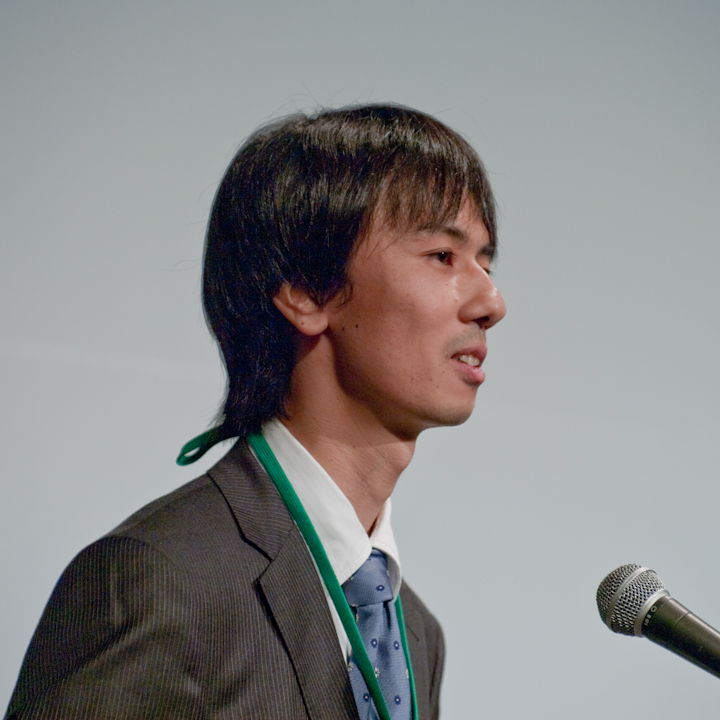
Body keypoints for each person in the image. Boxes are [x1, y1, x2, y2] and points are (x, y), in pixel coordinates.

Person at [5, 104, 506, 720]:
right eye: (442, 257)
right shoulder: (158, 583)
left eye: (487, 260)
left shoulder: (415, 632)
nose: (491, 301)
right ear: (303, 290)